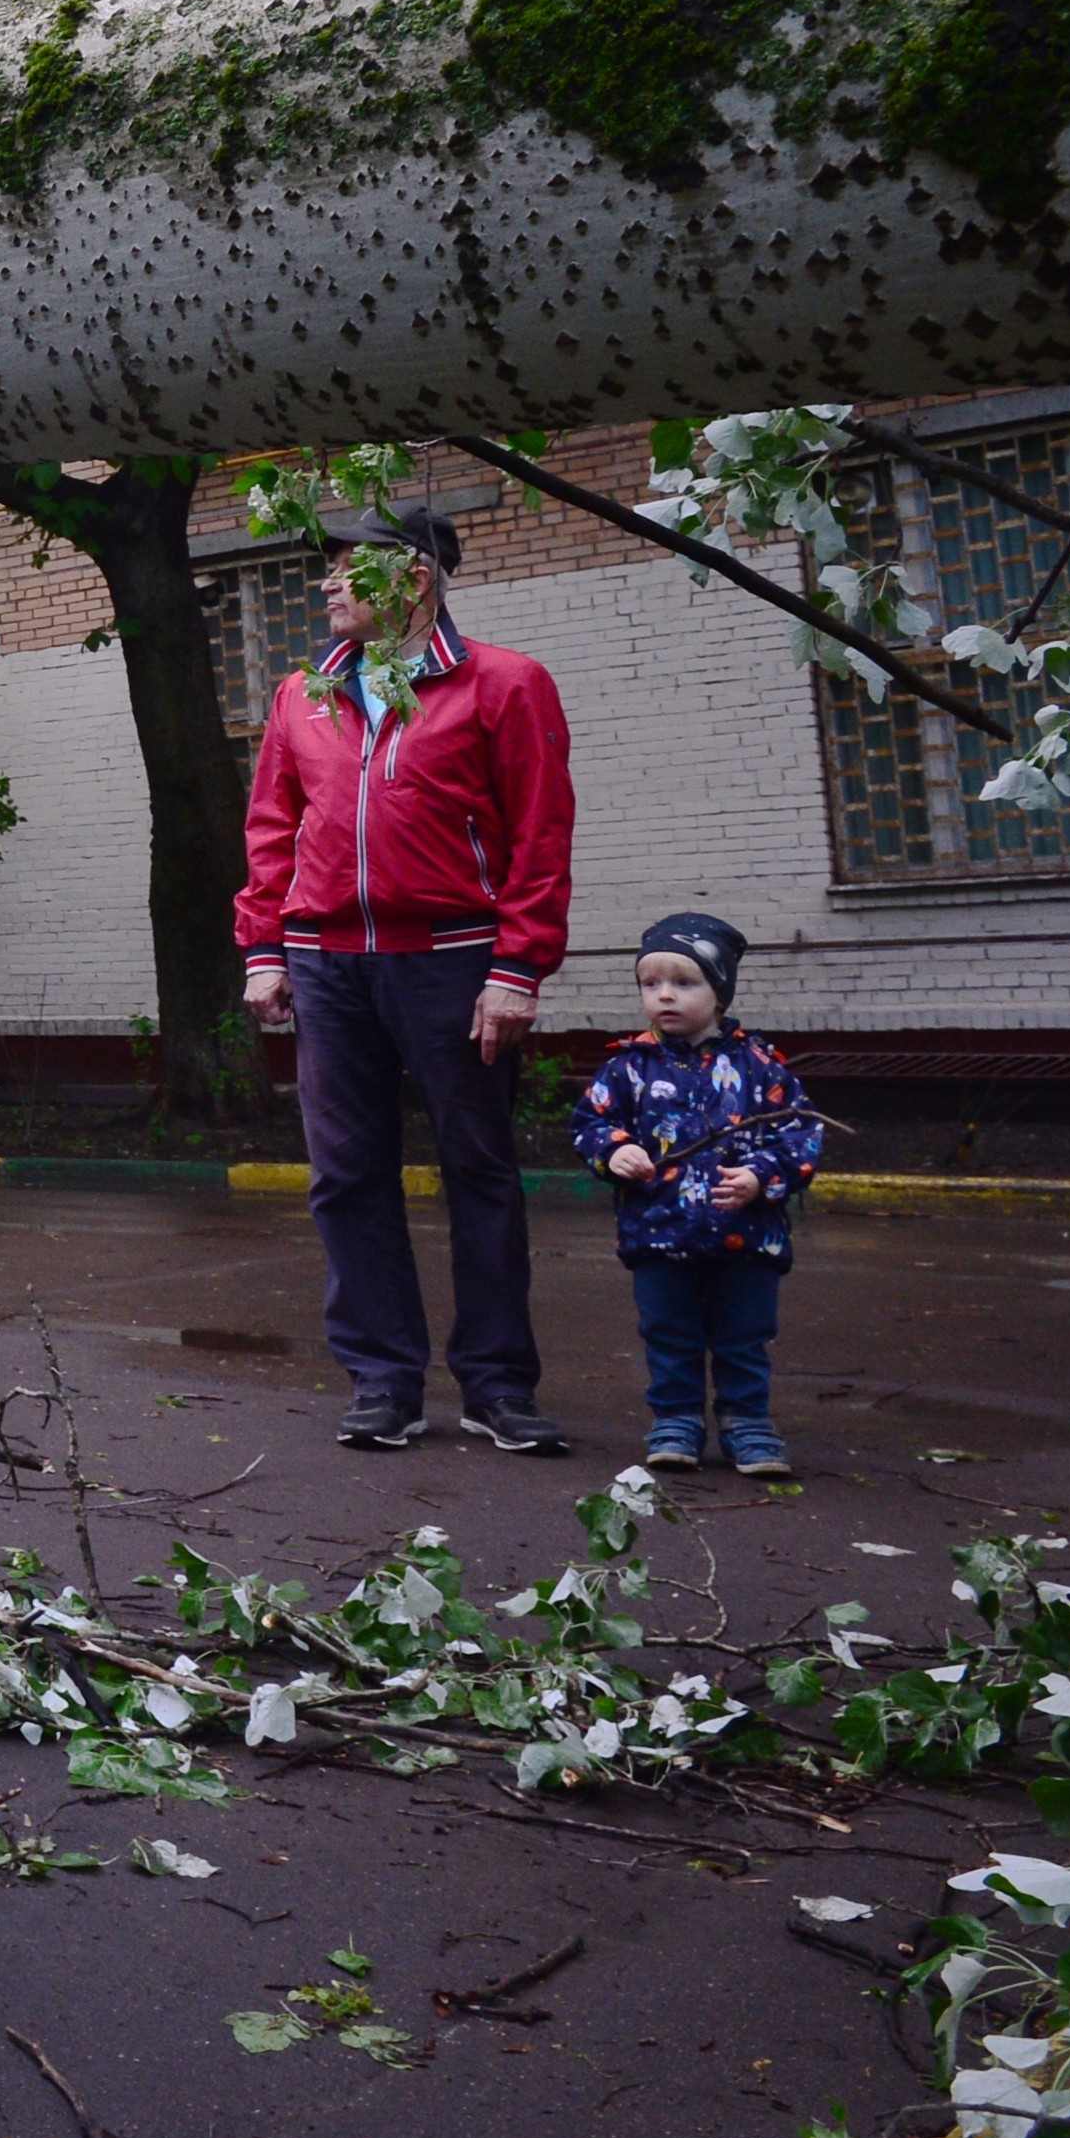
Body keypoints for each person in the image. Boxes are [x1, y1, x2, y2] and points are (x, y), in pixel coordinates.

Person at [234, 502, 578, 1454]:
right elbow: (272, 828)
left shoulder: (504, 684)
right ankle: (382, 1381)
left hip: (457, 963)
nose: (328, 582)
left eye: (349, 566)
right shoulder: (303, 693)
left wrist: (517, 967)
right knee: (346, 1176)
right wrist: (265, 948)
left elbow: (540, 835)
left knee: (480, 1170)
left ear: (414, 577)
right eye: (329, 567)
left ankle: (499, 1386)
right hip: (328, 967)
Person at [571, 914, 823, 1476]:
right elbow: (589, 1122)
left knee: (744, 1336)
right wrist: (613, 1151)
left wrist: (761, 1174)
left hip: (748, 1238)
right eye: (650, 984)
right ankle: (676, 1419)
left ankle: (749, 1425)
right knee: (668, 1333)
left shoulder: (760, 1067)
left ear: (720, 991)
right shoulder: (627, 1068)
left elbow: (801, 1132)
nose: (664, 996)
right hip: (659, 1235)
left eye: (684, 984)